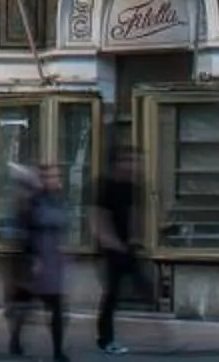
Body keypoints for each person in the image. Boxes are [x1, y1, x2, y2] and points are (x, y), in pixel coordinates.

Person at [6, 162, 72, 362]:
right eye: (49, 177)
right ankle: (16, 338)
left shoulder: (58, 200)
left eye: (56, 176)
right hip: (36, 257)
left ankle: (58, 350)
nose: (54, 180)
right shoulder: (32, 202)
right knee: (26, 303)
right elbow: (24, 231)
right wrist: (32, 257)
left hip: (52, 257)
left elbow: (63, 226)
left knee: (56, 305)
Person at [91, 143, 146, 355]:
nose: (133, 166)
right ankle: (105, 339)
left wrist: (134, 239)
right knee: (111, 295)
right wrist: (112, 243)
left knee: (139, 286)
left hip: (125, 247)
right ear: (117, 163)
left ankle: (159, 335)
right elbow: (99, 220)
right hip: (109, 251)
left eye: (135, 161)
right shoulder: (106, 186)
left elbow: (133, 215)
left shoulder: (131, 187)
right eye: (128, 161)